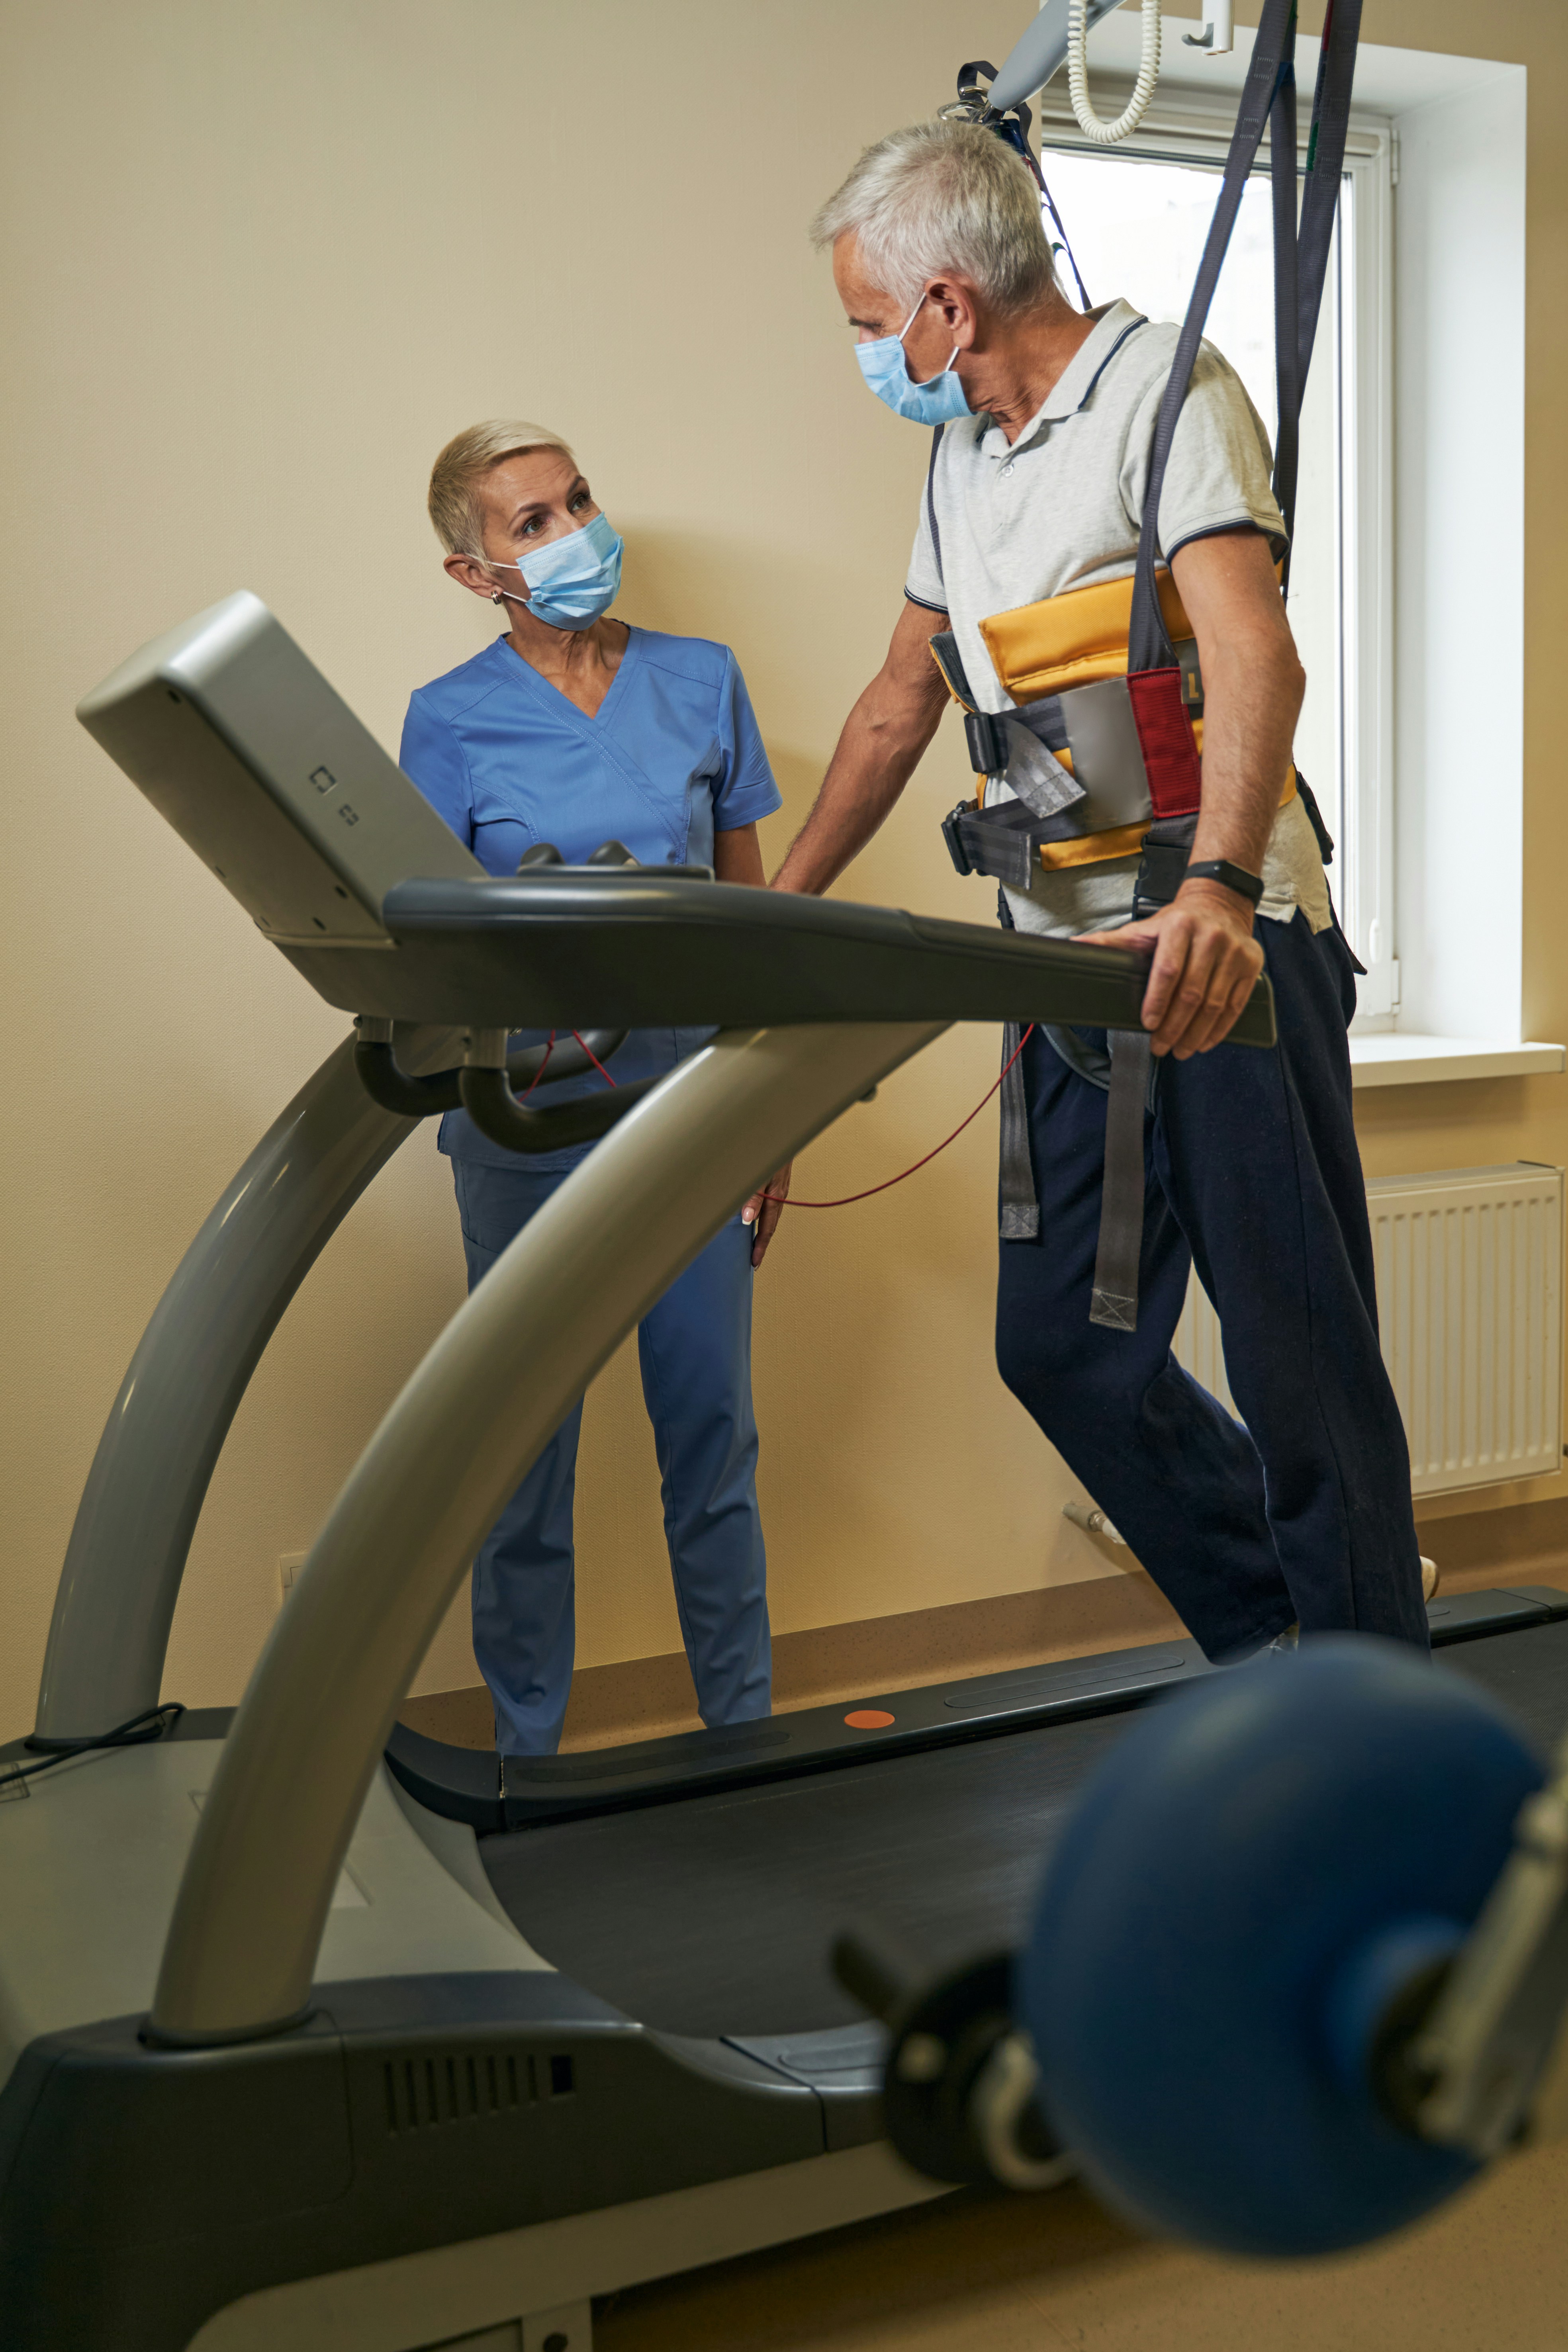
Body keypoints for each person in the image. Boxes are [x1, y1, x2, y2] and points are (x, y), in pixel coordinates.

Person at [773, 121, 1430, 1659]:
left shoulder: (1165, 393)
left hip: (1223, 952)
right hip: (1062, 976)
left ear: (948, 304)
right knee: (1066, 1349)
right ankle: (1290, 1645)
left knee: (1298, 1364)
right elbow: (895, 701)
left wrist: (1211, 885)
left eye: (871, 324)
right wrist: (783, 923)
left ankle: (1374, 1725)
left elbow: (1256, 652)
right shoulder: (962, 455)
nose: (868, 353)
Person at [400, 419, 789, 1753]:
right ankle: (525, 1755)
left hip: (690, 1117)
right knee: (518, 1464)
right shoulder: (447, 720)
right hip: (521, 1128)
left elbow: (755, 919)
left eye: (577, 502)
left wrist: (767, 1121)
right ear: (475, 572)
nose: (573, 535)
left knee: (712, 1447)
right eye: (532, 523)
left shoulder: (700, 679)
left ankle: (744, 1741)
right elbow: (429, 950)